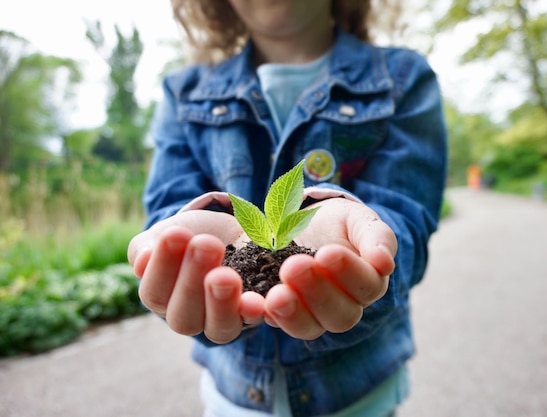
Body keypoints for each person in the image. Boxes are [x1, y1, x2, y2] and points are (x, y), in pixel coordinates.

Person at [127, 0, 447, 416]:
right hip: (233, 397)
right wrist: (174, 252)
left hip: (358, 397)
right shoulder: (183, 92)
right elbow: (169, 211)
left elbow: (405, 219)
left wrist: (365, 245)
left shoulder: (402, 78)